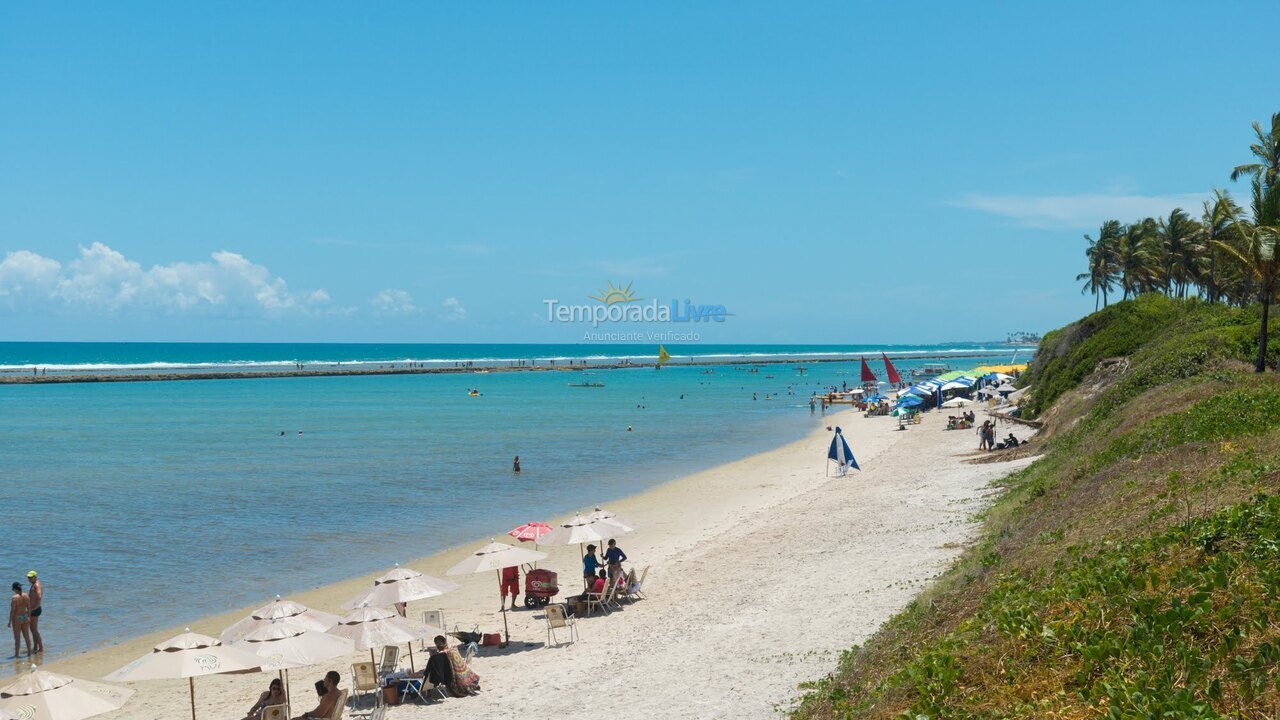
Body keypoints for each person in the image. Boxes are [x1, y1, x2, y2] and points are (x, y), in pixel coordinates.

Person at [8, 582, 32, 659]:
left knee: (17, 638)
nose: (13, 591)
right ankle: (29, 653)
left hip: (17, 618)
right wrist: (29, 617)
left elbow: (12, 611)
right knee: (27, 636)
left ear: (15, 589)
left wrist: (9, 621)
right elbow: (29, 608)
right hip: (25, 617)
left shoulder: (14, 598)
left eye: (13, 589)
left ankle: (17, 655)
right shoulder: (26, 595)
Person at [26, 570, 42, 654]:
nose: (29, 579)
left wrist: (35, 607)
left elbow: (39, 596)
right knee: (32, 629)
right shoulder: (33, 584)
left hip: (35, 610)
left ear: (35, 577)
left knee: (34, 630)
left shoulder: (36, 585)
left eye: (31, 577)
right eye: (28, 577)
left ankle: (41, 648)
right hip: (32, 609)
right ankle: (35, 647)